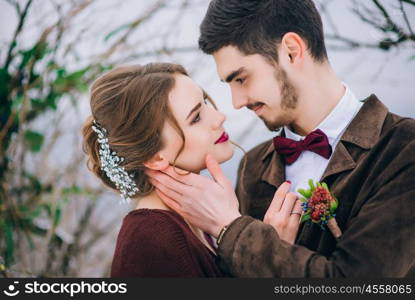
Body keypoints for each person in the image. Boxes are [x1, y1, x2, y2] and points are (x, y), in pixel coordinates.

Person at [147, 0, 415, 277]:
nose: (236, 102)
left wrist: (230, 228)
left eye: (241, 79)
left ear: (291, 51)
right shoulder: (253, 165)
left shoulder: (404, 148)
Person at [82, 63, 298, 277]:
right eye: (196, 118)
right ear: (155, 157)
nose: (219, 116)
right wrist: (269, 259)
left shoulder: (197, 217)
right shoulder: (149, 241)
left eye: (205, 102)